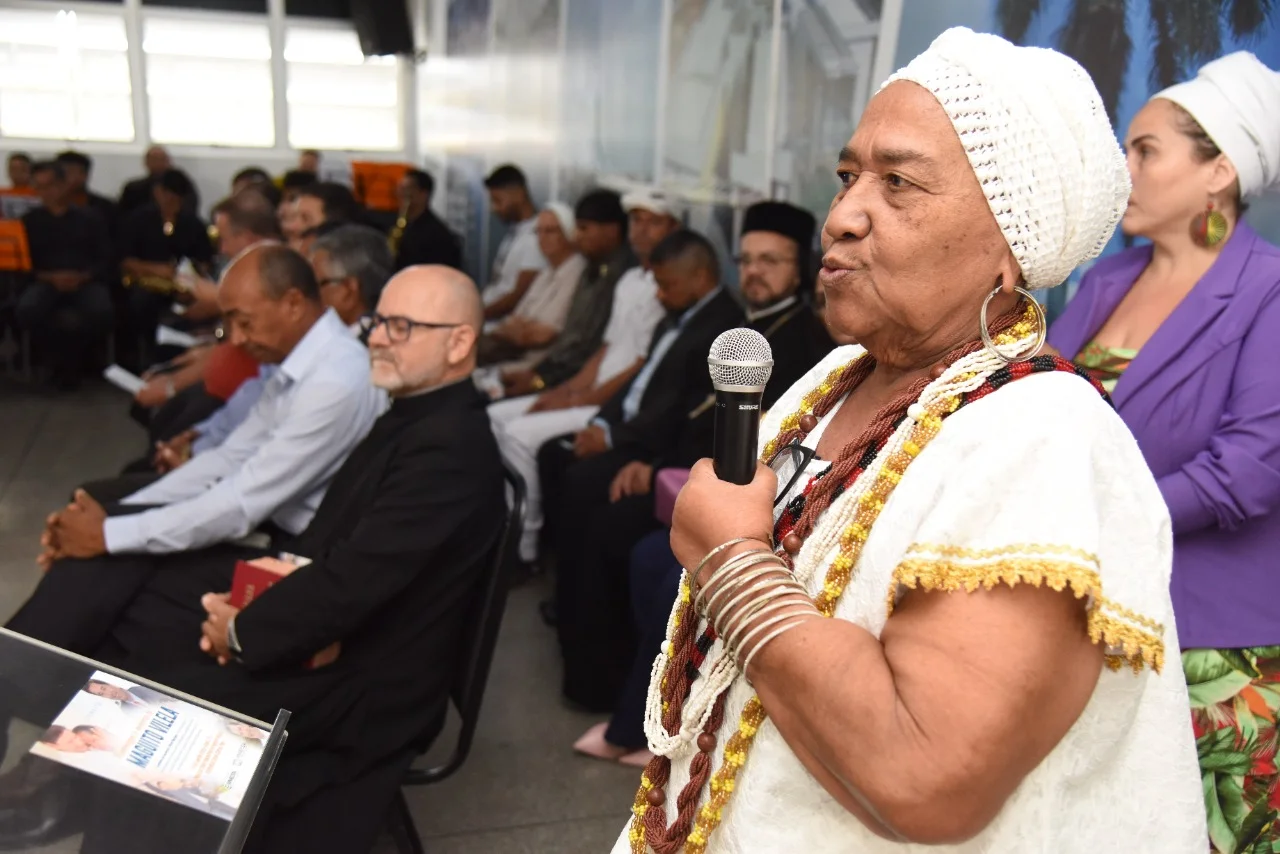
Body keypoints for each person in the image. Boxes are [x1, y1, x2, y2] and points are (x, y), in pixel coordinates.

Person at [610, 28, 1206, 853]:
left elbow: (924, 781)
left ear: (1011, 245)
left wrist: (730, 561)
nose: (842, 217)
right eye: (849, 176)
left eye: (898, 183)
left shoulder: (1045, 438)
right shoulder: (833, 382)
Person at [17, 266, 506, 854]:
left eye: (401, 327)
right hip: (345, 634)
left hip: (373, 683)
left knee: (158, 703)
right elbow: (339, 554)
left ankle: (73, 787)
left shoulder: (448, 446)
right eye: (379, 322)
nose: (376, 336)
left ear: (459, 343)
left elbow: (354, 581)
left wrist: (245, 628)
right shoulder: (416, 416)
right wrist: (256, 597)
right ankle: (60, 773)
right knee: (134, 609)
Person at [1046, 51, 1280, 852]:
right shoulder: (1105, 281)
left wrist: (1096, 516)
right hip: (1094, 622)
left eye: (1145, 150)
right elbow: (1037, 411)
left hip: (1218, 655)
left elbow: (1247, 471)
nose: (1126, 168)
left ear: (1219, 171)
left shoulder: (1271, 292)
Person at [7, 245, 386, 656]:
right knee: (101, 557)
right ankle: (20, 674)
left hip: (295, 549)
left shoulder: (336, 381)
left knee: (108, 573)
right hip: (263, 519)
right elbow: (228, 458)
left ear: (293, 303)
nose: (236, 338)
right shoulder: (301, 362)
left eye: (244, 322)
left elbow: (242, 502)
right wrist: (116, 517)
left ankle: (19, 675)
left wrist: (109, 533)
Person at [572, 200, 832, 763]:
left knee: (665, 568)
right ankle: (657, 707)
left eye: (771, 261)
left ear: (799, 270)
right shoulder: (746, 330)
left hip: (770, 503)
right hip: (716, 478)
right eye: (747, 260)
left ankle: (644, 730)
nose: (755, 272)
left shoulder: (804, 339)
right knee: (645, 556)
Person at [539, 230, 743, 712]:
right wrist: (601, 423)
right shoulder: (677, 315)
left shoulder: (720, 328)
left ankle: (594, 670)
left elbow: (679, 414)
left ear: (701, 276)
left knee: (594, 498)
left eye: (668, 284)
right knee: (558, 460)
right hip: (634, 431)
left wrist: (627, 448)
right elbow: (641, 383)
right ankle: (569, 609)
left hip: (655, 449)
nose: (659, 293)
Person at [488, 189, 676, 563]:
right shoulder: (629, 281)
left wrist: (581, 400)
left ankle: (525, 551)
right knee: (495, 417)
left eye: (653, 221)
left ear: (674, 227)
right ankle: (506, 527)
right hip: (588, 391)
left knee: (519, 435)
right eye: (636, 220)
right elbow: (605, 350)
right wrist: (564, 391)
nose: (641, 230)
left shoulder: (669, 286)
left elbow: (640, 365)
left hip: (609, 402)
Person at [501, 189, 635, 397]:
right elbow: (569, 341)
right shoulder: (593, 268)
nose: (577, 237)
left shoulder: (621, 278)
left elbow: (588, 349)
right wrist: (536, 374)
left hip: (579, 386)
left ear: (611, 230)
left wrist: (540, 380)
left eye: (584, 229)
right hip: (553, 373)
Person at [16, 160, 114, 389]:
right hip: (45, 280)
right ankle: (52, 364)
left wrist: (82, 277)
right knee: (28, 309)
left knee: (101, 310)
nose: (44, 193)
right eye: (38, 187)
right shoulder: (30, 222)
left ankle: (83, 364)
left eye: (49, 186)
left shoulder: (90, 218)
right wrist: (50, 278)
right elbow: (24, 264)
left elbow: (105, 258)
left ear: (62, 185)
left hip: (85, 280)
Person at [120, 169, 215, 366]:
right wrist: (155, 270)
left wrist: (188, 281)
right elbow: (126, 259)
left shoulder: (193, 224)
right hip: (146, 283)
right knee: (141, 304)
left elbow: (204, 261)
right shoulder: (138, 220)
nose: (169, 200)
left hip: (184, 285)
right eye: (166, 194)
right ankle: (143, 358)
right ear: (157, 192)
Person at [479, 202, 586, 369]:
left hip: (540, 364)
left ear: (568, 233)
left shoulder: (577, 271)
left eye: (550, 231)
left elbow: (544, 335)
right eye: (538, 231)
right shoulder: (546, 272)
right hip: (513, 354)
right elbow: (514, 319)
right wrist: (522, 328)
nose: (542, 238)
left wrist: (522, 328)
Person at [481, 164, 546, 318]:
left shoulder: (538, 234)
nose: (494, 208)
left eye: (497, 200)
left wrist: (477, 317)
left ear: (518, 194)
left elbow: (518, 296)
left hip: (499, 325)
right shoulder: (516, 232)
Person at [393, 169, 463, 271]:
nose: (400, 194)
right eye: (400, 188)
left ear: (423, 194)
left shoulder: (438, 235)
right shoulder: (401, 223)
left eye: (407, 189)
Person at [118, 146, 198, 217]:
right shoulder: (134, 189)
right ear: (146, 162)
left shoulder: (180, 184)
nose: (159, 163)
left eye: (162, 159)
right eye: (155, 159)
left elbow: (189, 207)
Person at [54, 150, 117, 238]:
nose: (65, 177)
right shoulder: (46, 205)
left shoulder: (105, 208)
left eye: (71, 172)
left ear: (84, 175)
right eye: (61, 173)